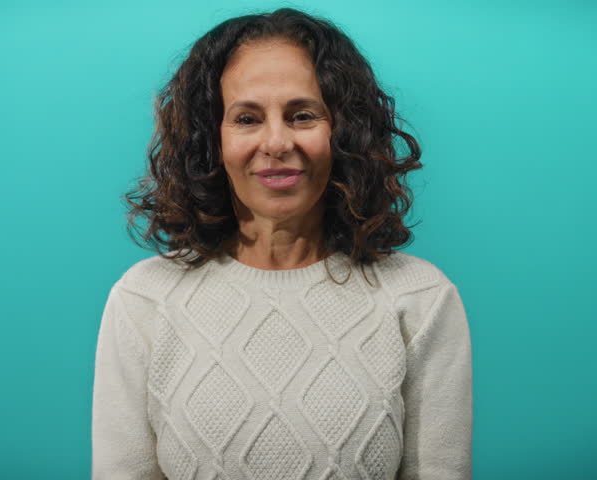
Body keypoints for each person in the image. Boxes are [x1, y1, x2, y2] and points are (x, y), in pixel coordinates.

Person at [92, 7, 472, 480]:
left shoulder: (420, 299)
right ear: (212, 141)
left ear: (344, 132)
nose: (276, 142)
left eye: (303, 115)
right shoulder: (144, 300)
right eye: (247, 118)